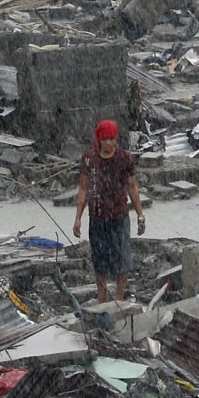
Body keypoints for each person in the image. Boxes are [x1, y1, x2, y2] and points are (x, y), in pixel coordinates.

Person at [72, 118, 145, 302]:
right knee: (99, 259)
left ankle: (119, 297)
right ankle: (102, 296)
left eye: (113, 139)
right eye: (106, 139)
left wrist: (140, 214)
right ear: (99, 139)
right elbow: (83, 188)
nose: (110, 143)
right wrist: (78, 218)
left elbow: (132, 187)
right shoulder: (89, 160)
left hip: (119, 215)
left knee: (122, 259)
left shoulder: (124, 158)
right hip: (97, 216)